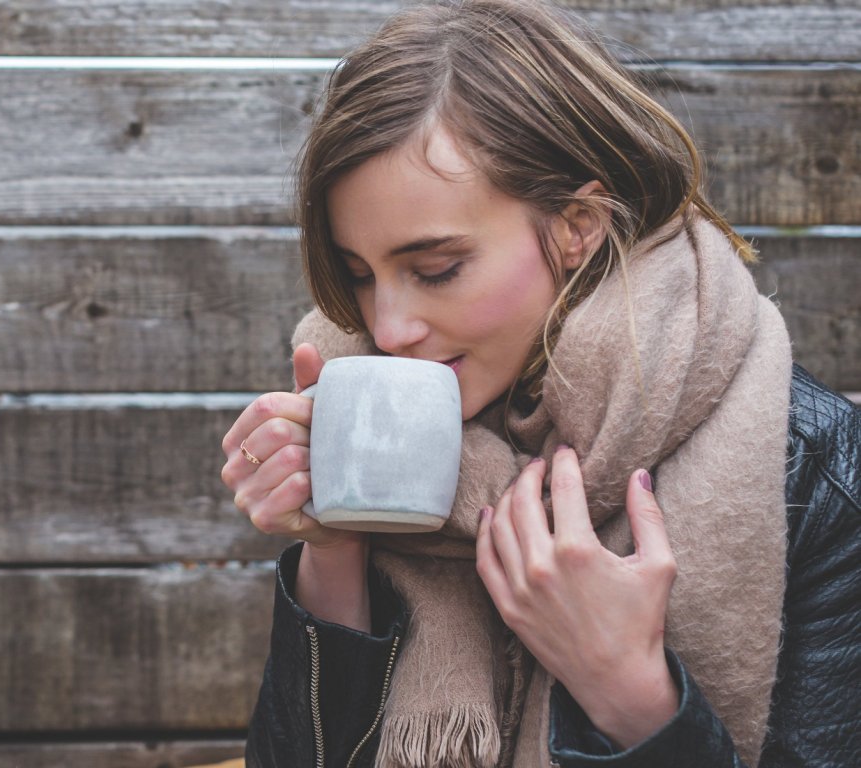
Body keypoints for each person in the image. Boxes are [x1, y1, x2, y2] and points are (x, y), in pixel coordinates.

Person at [220, 1, 860, 765]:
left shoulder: (810, 464)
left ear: (575, 228)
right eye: (359, 274)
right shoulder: (366, 422)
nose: (388, 329)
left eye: (435, 270)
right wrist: (334, 549)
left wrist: (625, 688)